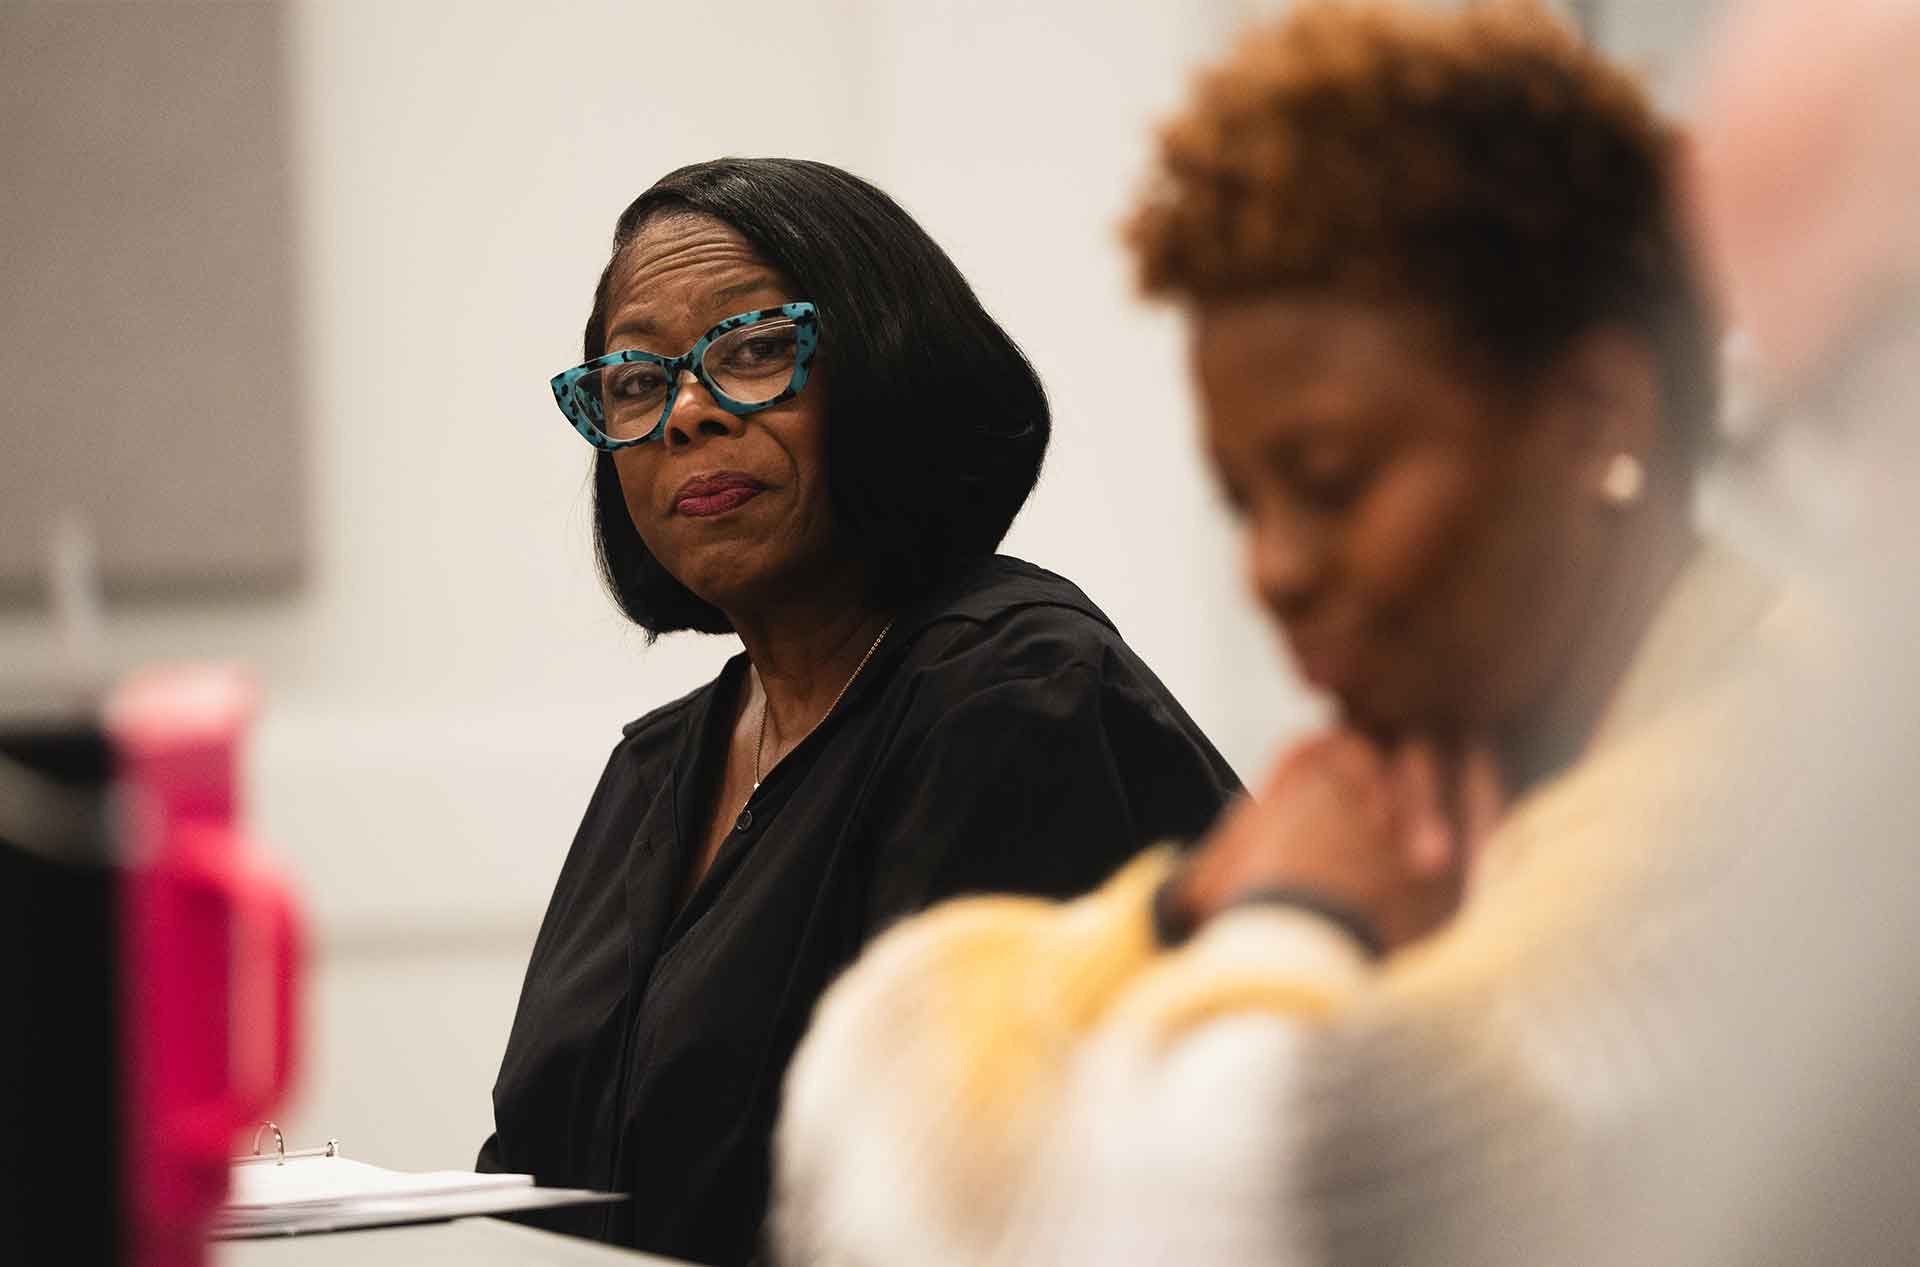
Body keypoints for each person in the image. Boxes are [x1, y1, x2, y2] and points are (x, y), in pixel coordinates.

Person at [771, 6, 1776, 1263]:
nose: (1273, 570)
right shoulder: (1451, 774)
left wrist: (1291, 913)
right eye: (1244, 500)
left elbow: (1215, 1221)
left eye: (1332, 482)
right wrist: (1182, 911)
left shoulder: (1771, 804)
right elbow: (845, 1111)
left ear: (1597, 414)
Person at [474, 157, 1240, 1265]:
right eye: (636, 380)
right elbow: (533, 1170)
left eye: (751, 350)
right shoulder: (656, 768)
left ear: (888, 370)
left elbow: (967, 1214)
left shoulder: (1014, 694)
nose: (687, 413)